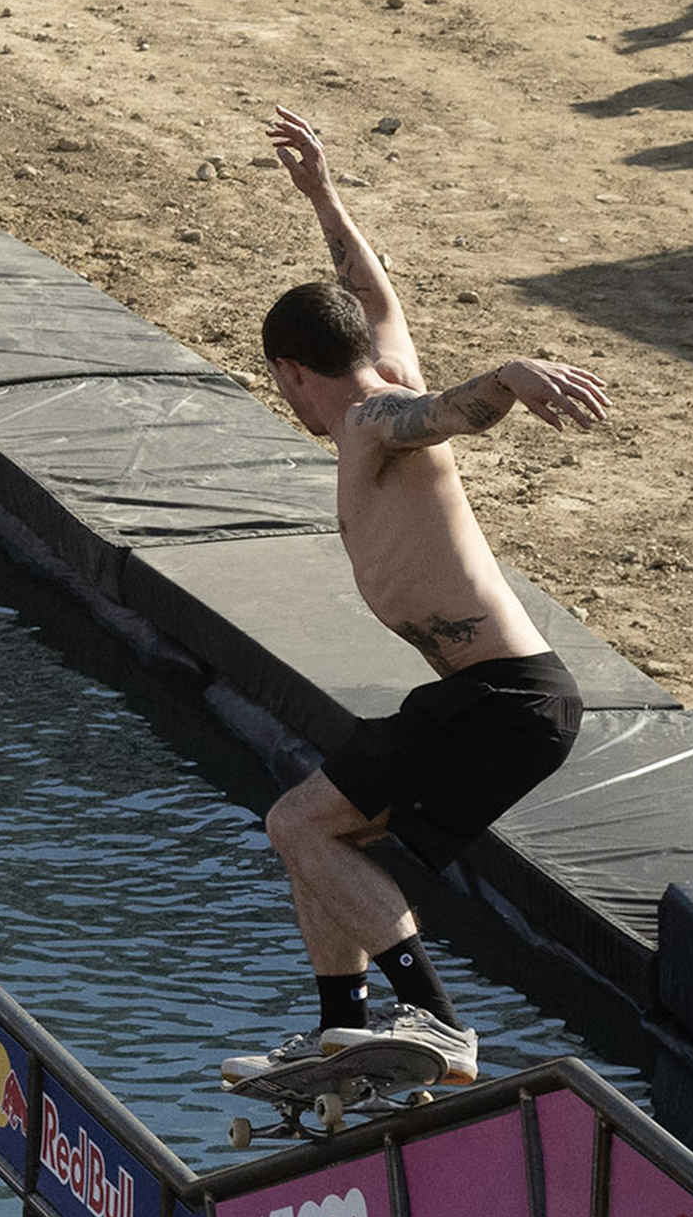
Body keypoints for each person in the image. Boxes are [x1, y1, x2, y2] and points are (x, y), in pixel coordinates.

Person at [224, 111, 606, 1101]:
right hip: (504, 699)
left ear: (293, 371)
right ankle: (342, 1037)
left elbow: (437, 414)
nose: (294, 410)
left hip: (504, 698)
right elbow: (372, 289)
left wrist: (511, 379)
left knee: (299, 824)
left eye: (284, 391)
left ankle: (431, 1020)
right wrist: (320, 196)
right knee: (318, 827)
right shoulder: (381, 366)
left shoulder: (368, 417)